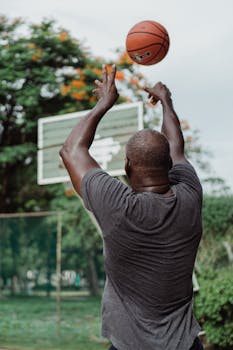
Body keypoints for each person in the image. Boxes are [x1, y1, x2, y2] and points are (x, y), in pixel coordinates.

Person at [59, 65, 203, 350]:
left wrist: (104, 103)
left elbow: (71, 150)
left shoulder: (117, 206)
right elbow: (175, 146)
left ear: (127, 166)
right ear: (169, 167)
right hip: (184, 345)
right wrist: (165, 101)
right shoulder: (190, 196)